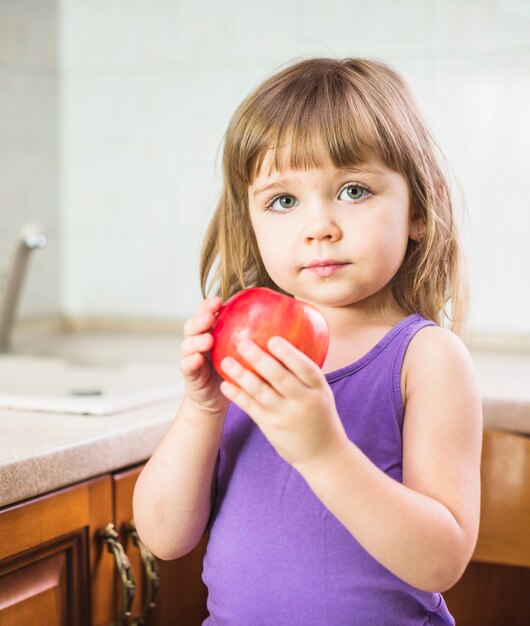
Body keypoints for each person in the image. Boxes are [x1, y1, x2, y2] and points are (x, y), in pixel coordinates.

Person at [133, 57, 483, 625]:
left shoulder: (427, 360)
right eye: (283, 201)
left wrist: (324, 452)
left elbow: (441, 562)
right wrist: (202, 409)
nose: (318, 225)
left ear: (420, 207)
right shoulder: (246, 353)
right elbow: (164, 537)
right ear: (251, 222)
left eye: (352, 189)